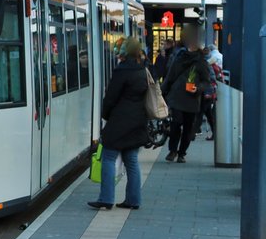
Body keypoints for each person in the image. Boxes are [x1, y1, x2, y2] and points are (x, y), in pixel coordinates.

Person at [89, 35, 149, 210]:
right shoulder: (143, 70)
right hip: (138, 121)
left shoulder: (122, 71)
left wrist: (105, 116)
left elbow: (110, 99)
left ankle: (106, 198)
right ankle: (133, 200)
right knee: (131, 160)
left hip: (119, 121)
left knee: (108, 157)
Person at [162, 30, 214, 163]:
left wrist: (198, 88)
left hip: (192, 98)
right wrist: (163, 92)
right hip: (177, 96)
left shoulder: (201, 62)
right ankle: (173, 150)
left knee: (188, 127)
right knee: (176, 123)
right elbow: (170, 76)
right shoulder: (179, 58)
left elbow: (206, 80)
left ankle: (182, 153)